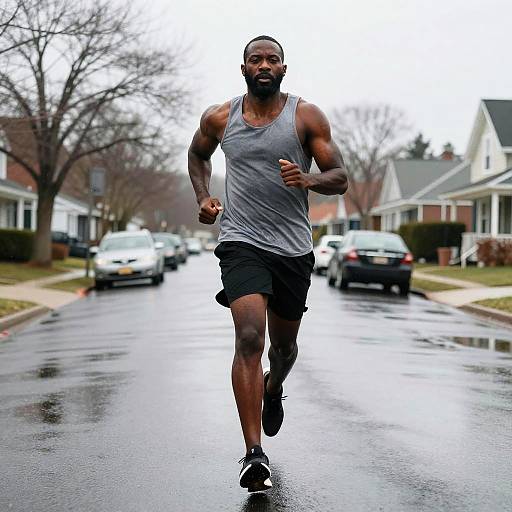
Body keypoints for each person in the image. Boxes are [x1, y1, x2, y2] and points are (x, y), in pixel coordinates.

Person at [188, 35, 348, 492]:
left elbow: (341, 178)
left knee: (283, 351)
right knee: (249, 336)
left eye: (271, 59)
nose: (264, 65)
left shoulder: (306, 116)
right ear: (243, 68)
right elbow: (197, 155)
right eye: (255, 59)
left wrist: (309, 179)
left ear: (283, 68)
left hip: (293, 248)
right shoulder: (220, 117)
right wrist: (203, 198)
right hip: (241, 240)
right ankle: (253, 453)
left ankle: (273, 386)